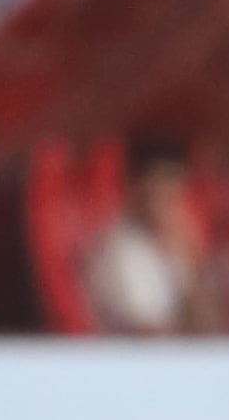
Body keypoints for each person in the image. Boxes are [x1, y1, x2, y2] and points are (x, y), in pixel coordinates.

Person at [85, 142, 215, 335]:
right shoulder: (119, 249)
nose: (169, 201)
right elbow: (150, 335)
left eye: (175, 190)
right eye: (161, 187)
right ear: (135, 187)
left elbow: (212, 325)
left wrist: (191, 261)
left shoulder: (172, 246)